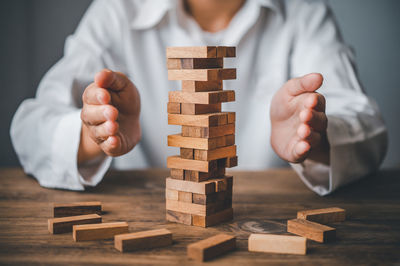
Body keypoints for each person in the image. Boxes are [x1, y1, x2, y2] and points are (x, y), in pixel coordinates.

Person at [10, 0, 387, 195]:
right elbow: (30, 126)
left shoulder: (304, 12)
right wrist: (92, 134)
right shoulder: (116, 12)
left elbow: (367, 123)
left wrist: (317, 136)